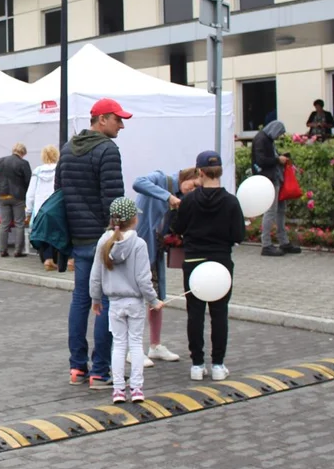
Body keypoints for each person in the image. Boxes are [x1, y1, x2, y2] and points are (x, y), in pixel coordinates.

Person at [57, 98, 128, 390]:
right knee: (107, 303)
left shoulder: (67, 148)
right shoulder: (107, 150)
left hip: (77, 237)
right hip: (102, 239)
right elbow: (114, 199)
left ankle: (77, 368)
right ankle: (100, 371)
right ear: (101, 120)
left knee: (81, 300)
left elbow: (58, 194)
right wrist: (119, 236)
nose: (121, 125)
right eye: (117, 120)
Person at [171, 151, 246, 382]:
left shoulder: (190, 201)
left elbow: (177, 228)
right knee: (219, 313)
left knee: (194, 314)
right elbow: (239, 235)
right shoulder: (231, 202)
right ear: (220, 172)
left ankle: (196, 364)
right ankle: (218, 365)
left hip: (194, 262)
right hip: (221, 262)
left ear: (200, 172)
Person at [90, 197, 162, 404]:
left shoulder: (104, 242)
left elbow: (96, 274)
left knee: (119, 346)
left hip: (114, 302)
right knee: (136, 345)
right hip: (135, 302)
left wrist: (96, 298)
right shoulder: (139, 244)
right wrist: (153, 300)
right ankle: (137, 389)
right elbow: (143, 278)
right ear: (133, 219)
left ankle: (118, 390)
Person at [132, 166, 202, 364]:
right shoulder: (161, 179)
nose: (193, 190)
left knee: (157, 297)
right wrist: (167, 197)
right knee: (136, 296)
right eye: (194, 185)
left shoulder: (185, 198)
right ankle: (133, 348)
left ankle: (155, 345)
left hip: (157, 247)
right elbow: (138, 182)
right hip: (140, 246)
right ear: (190, 175)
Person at [251, 121, 301, 257]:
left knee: (280, 210)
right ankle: (266, 244)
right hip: (269, 179)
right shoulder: (262, 139)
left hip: (275, 178)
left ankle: (283, 241)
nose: (278, 136)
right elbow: (261, 160)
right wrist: (278, 159)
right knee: (271, 211)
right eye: (279, 133)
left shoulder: (266, 139)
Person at [0, 143, 32, 258]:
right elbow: (28, 180)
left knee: (4, 223)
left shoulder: (1, 161)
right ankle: (18, 251)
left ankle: (3, 250)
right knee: (19, 223)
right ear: (23, 153)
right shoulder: (23, 163)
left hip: (3, 196)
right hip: (18, 197)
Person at [26, 145, 59, 270]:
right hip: (56, 206)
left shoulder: (37, 171)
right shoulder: (60, 169)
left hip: (40, 208)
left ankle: (48, 259)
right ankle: (67, 260)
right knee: (59, 233)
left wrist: (28, 211)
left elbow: (31, 194)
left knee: (44, 234)